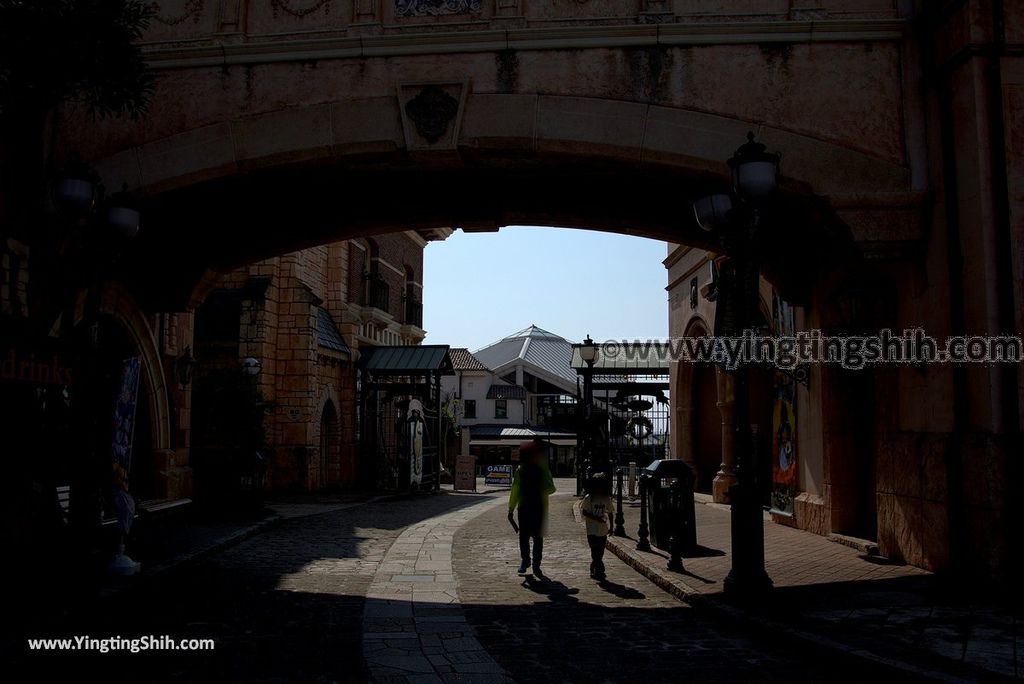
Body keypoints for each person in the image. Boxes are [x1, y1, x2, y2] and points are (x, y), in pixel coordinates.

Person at [507, 439, 556, 577]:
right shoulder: (520, 470)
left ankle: (536, 564)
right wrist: (511, 508)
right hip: (524, 507)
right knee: (524, 536)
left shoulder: (543, 469)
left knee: (537, 538)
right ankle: (526, 560)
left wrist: (541, 488)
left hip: (538, 507)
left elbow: (551, 488)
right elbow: (515, 490)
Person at [580, 473, 615, 580]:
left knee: (600, 551)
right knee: (594, 550)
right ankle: (600, 570)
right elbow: (584, 512)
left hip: (602, 530)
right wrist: (596, 519)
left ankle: (594, 567)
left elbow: (610, 512)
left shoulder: (606, 499)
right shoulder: (588, 498)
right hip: (591, 529)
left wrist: (612, 526)